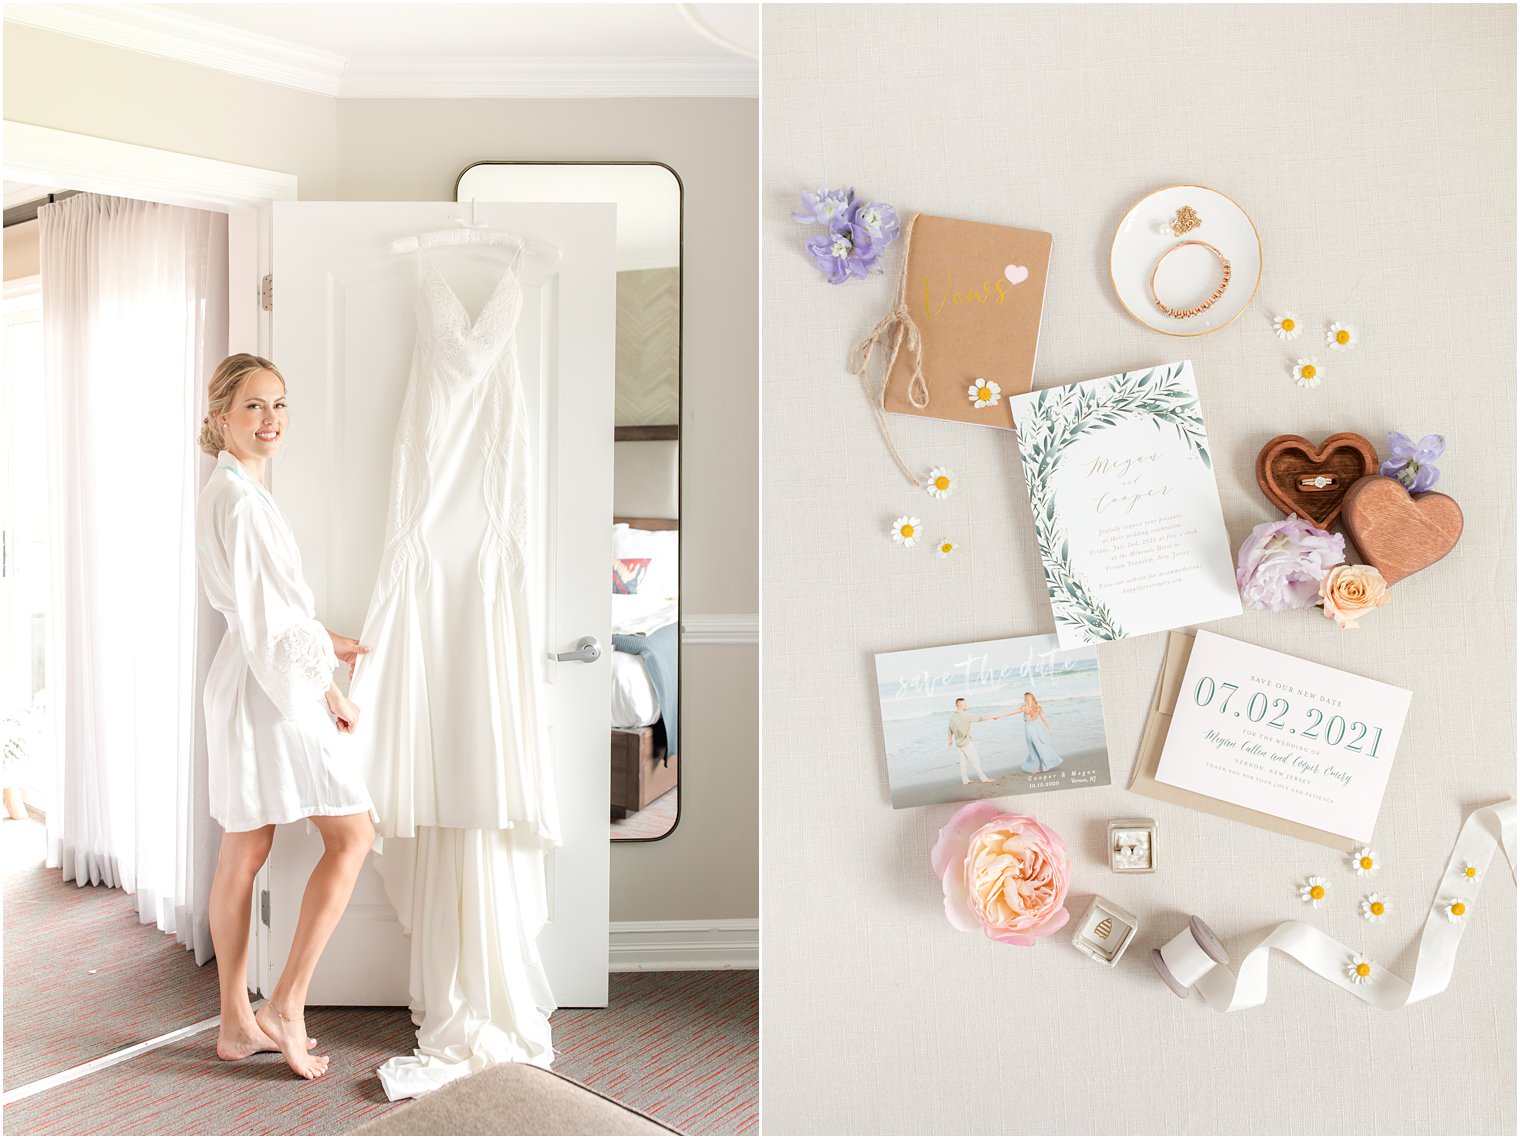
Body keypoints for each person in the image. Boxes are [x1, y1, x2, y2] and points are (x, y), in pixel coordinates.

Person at [194, 353, 379, 1079]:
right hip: (265, 691)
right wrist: (325, 669)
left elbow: (272, 612)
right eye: (253, 407)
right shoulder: (237, 500)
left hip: (255, 677)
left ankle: (238, 1020)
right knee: (353, 832)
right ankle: (285, 1003)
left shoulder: (235, 490)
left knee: (246, 850)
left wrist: (326, 675)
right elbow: (274, 624)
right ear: (219, 420)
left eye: (279, 404)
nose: (271, 420)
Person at [946, 698, 1014, 785]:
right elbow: (979, 718)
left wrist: (950, 740)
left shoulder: (952, 717)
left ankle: (965, 780)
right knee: (975, 760)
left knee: (963, 762)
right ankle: (983, 778)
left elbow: (949, 730)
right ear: (959, 705)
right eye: (964, 704)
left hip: (959, 744)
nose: (966, 705)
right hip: (967, 743)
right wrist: (992, 717)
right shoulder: (965, 715)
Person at [1018, 691, 1065, 773]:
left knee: (1034, 748)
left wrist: (998, 716)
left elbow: (1011, 713)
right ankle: (1039, 766)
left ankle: (1045, 764)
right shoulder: (1036, 708)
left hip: (1030, 730)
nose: (1024, 699)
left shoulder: (1025, 708)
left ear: (1027, 699)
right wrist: (1049, 728)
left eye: (1024, 698)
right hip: (1035, 729)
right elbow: (1044, 719)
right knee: (1037, 746)